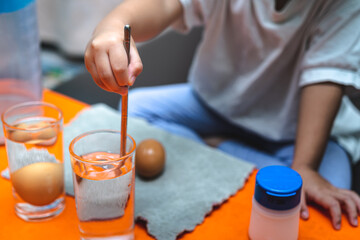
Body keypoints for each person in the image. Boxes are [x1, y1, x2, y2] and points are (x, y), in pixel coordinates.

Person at [84, 0, 360, 230]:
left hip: (293, 129)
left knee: (325, 194)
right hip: (211, 105)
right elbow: (168, 4)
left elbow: (325, 76)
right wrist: (112, 25)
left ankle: (219, 145)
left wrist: (305, 167)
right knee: (135, 109)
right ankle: (237, 153)